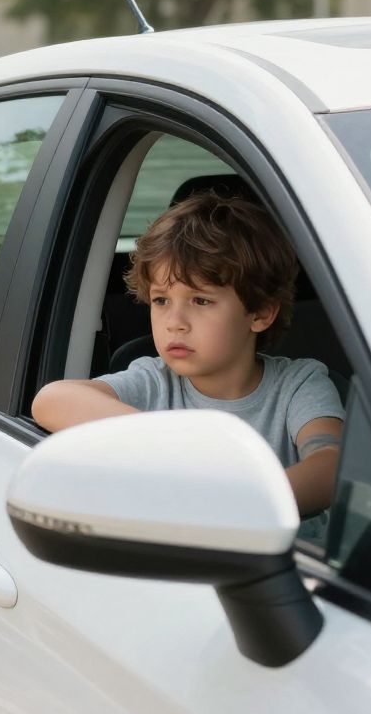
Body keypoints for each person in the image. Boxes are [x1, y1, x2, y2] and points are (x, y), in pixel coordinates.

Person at [32, 191, 344, 520]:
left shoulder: (298, 384)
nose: (174, 323)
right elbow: (51, 400)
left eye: (200, 301)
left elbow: (330, 464)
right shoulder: (154, 381)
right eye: (161, 300)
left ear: (260, 314)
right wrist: (174, 442)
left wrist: (238, 511)